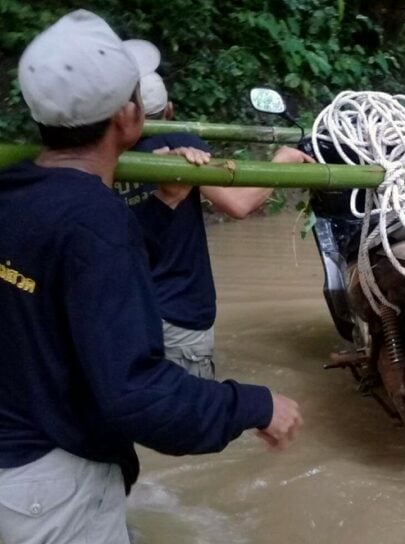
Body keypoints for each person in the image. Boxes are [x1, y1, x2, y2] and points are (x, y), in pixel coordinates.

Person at [0, 11, 301, 544]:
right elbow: (136, 393)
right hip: (48, 484)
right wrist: (254, 404)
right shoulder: (96, 220)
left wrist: (165, 202)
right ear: (127, 115)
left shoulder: (14, 193)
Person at [114, 39, 314, 379]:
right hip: (179, 313)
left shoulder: (97, 156)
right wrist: (281, 162)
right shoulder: (180, 147)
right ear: (169, 112)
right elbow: (239, 203)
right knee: (189, 422)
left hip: (122, 314)